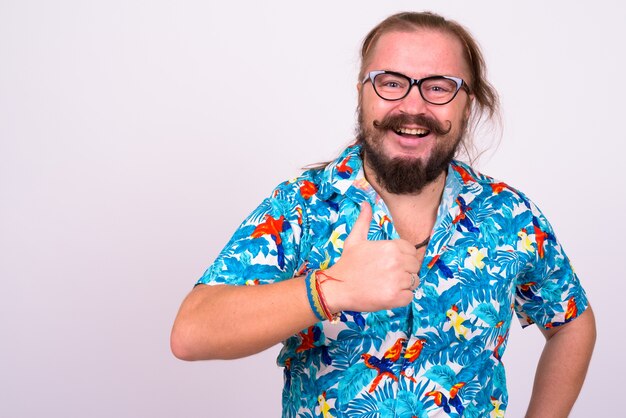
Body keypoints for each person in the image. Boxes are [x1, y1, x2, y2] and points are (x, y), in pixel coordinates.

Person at [171, 11, 596, 417]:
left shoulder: (511, 215)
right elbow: (191, 333)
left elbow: (572, 322)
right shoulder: (301, 205)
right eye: (391, 83)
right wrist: (328, 290)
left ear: (467, 103)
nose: (413, 106)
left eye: (438, 86)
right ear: (362, 93)